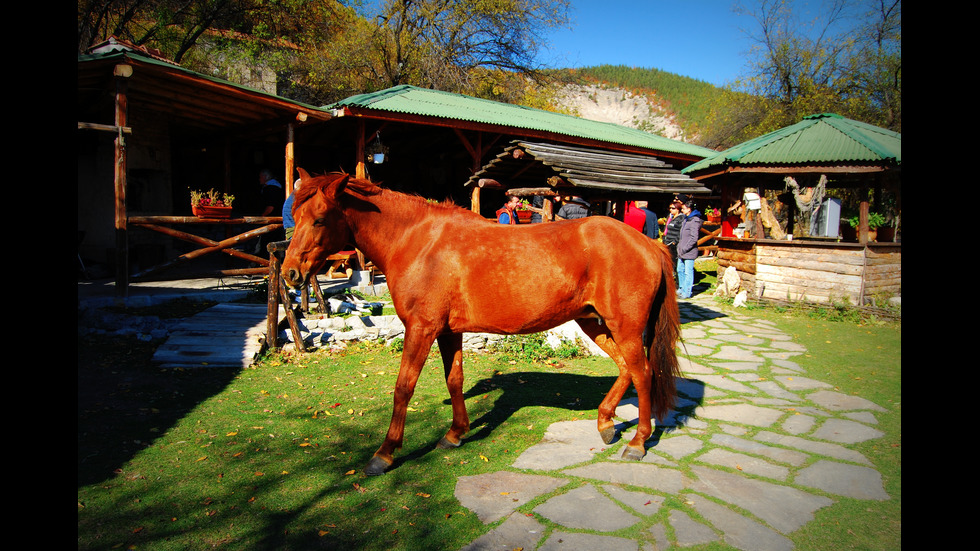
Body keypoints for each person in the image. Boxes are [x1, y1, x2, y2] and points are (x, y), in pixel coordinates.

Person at [676, 195, 703, 299]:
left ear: (689, 209)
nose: (682, 210)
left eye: (683, 209)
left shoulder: (694, 220)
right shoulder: (686, 219)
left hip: (689, 251)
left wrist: (685, 248)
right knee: (679, 270)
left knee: (688, 272)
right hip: (681, 250)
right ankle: (681, 288)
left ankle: (687, 291)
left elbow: (694, 237)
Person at [256, 169, 285, 255]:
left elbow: (270, 207)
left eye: (260, 177)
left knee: (266, 243)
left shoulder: (271, 188)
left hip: (271, 219)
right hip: (275, 219)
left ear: (265, 177)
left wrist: (262, 216)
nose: (259, 179)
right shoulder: (274, 187)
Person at [662, 200, 684, 275]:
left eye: (673, 208)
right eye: (670, 208)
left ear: (678, 209)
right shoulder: (670, 217)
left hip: (674, 243)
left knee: (675, 261)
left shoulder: (681, 218)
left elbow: (681, 231)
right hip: (667, 241)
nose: (671, 209)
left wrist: (675, 241)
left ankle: (677, 278)